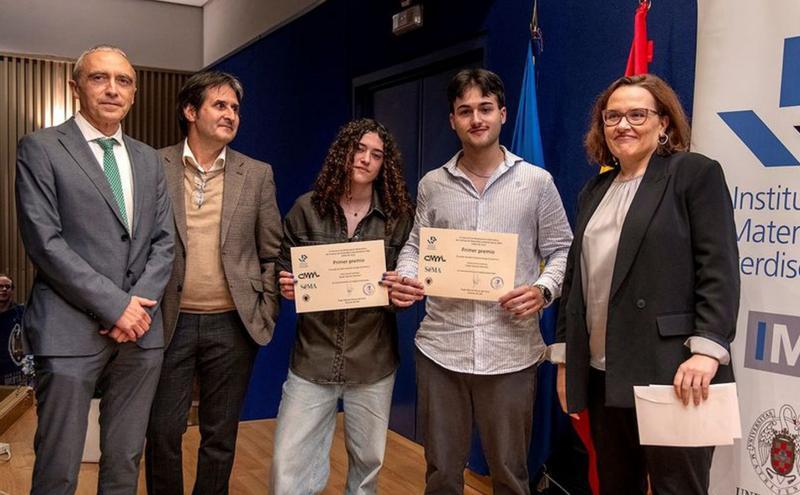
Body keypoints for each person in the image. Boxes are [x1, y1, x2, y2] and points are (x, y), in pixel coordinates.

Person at [388, 68, 573, 495]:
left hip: (510, 351)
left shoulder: (536, 183)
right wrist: (408, 277)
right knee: (441, 474)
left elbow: (563, 250)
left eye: (485, 109)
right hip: (441, 350)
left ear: (503, 114)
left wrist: (543, 290)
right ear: (452, 119)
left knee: (509, 474)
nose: (477, 119)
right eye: (465, 110)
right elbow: (416, 245)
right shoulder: (433, 184)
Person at [553, 74, 740, 495]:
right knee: (617, 485)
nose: (624, 125)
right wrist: (567, 360)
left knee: (679, 488)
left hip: (674, 369)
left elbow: (719, 267)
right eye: (613, 116)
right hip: (604, 373)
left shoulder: (693, 174)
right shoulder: (594, 190)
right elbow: (574, 283)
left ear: (664, 124)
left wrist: (708, 349)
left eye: (638, 114)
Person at [15, 45, 175, 494]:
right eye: (99, 78)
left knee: (125, 461)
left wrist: (135, 309)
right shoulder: (41, 148)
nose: (112, 89)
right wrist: (115, 306)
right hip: (68, 332)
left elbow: (164, 242)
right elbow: (44, 243)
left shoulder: (148, 159)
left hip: (140, 335)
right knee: (58, 465)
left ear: (134, 93)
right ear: (75, 87)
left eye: (123, 81)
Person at [143, 70, 283, 494]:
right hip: (168, 321)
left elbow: (272, 251)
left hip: (233, 324)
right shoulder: (153, 165)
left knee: (219, 437)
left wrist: (267, 306)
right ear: (190, 111)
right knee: (163, 433)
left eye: (235, 108)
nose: (230, 115)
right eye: (219, 105)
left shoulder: (256, 174)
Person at [270, 118, 414, 495]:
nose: (366, 159)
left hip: (373, 360)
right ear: (343, 152)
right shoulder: (306, 209)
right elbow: (283, 268)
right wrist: (285, 283)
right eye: (359, 149)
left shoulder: (399, 217)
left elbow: (408, 281)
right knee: (289, 468)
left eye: (376, 154)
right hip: (312, 357)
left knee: (367, 466)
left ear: (385, 165)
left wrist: (402, 295)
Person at [0, 273, 26, 385]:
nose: (4, 289)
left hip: (15, 374)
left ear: (12, 290)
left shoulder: (22, 313)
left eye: (7, 286)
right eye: (0, 286)